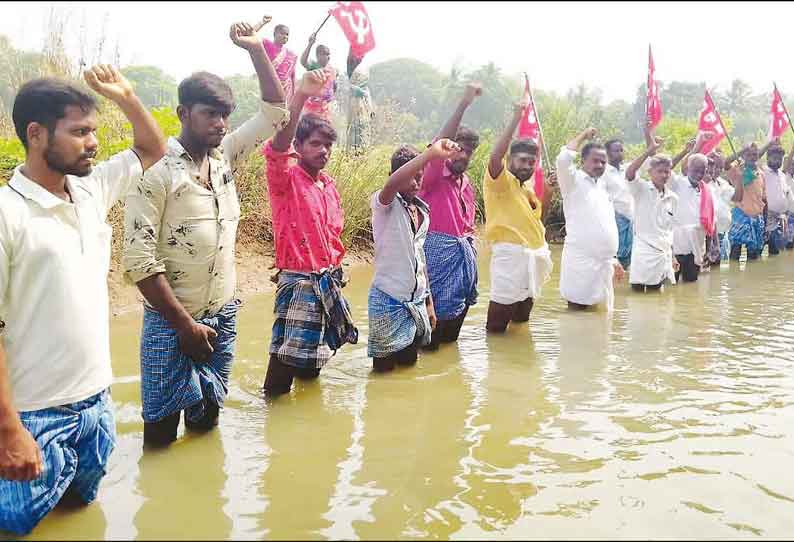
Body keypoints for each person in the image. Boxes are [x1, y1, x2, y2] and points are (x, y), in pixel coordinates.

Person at [0, 67, 165, 534]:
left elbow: (152, 148)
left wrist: (129, 96)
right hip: (32, 416)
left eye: (93, 131)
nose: (92, 142)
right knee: (17, 527)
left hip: (96, 405)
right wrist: (8, 431)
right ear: (36, 134)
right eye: (79, 132)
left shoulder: (90, 190)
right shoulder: (7, 214)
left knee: (79, 516)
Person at [122, 22, 289, 447]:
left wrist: (255, 49)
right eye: (210, 113)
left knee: (207, 425)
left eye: (224, 115)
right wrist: (184, 325)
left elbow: (275, 111)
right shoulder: (155, 173)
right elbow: (140, 262)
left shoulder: (225, 157)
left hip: (222, 317)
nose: (220, 123)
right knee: (159, 435)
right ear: (183, 114)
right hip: (169, 321)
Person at [262, 69, 358, 397]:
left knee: (316, 359)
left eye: (328, 145)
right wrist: (301, 95)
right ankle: (273, 415)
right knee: (285, 359)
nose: (324, 151)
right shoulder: (286, 178)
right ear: (299, 147)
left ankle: (302, 426)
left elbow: (332, 234)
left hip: (327, 277)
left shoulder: (327, 185)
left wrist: (337, 269)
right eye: (315, 144)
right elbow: (278, 145)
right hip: (301, 279)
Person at [367, 141, 459, 371]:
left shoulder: (422, 212)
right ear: (395, 175)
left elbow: (420, 259)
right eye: (410, 175)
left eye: (420, 175)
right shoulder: (384, 203)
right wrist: (430, 155)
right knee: (383, 371)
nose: (416, 181)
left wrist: (428, 303)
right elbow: (393, 183)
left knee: (409, 365)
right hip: (388, 299)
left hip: (416, 300)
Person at [483, 96, 555, 332]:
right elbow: (495, 157)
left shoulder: (529, 192)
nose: (527, 166)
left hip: (535, 256)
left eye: (531, 162)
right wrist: (516, 117)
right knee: (497, 323)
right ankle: (496, 361)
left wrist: (550, 192)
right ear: (510, 160)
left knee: (522, 317)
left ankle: (519, 362)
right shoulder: (500, 182)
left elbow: (539, 226)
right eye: (522, 160)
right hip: (510, 257)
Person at [420, 83, 482, 348]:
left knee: (452, 335)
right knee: (432, 336)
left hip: (461, 264)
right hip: (436, 264)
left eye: (469, 151)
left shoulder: (466, 184)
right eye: (458, 148)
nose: (463, 155)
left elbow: (468, 227)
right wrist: (464, 103)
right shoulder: (433, 174)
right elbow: (437, 146)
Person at [556, 128, 624, 311]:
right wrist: (583, 135)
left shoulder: (602, 187)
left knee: (600, 322)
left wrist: (614, 258)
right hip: (581, 263)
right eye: (595, 160)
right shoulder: (572, 181)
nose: (600, 165)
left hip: (604, 265)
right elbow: (563, 160)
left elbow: (605, 224)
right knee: (578, 315)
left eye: (603, 162)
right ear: (583, 160)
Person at [624, 136, 679, 291]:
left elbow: (670, 230)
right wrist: (648, 151)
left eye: (667, 172)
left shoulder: (673, 198)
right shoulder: (641, 189)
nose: (664, 175)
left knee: (657, 296)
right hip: (643, 252)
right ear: (650, 172)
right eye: (660, 171)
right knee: (638, 293)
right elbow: (630, 173)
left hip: (663, 254)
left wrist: (673, 254)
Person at [668, 134, 715, 283]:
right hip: (676, 247)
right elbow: (667, 168)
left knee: (691, 287)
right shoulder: (677, 184)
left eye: (703, 171)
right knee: (671, 287)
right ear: (688, 168)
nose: (699, 174)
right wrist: (692, 149)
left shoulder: (706, 191)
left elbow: (710, 224)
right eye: (695, 170)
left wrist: (709, 248)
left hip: (696, 249)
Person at [725, 143, 766, 261]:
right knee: (735, 253)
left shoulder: (761, 173)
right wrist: (742, 149)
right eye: (748, 154)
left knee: (754, 255)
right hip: (741, 216)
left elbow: (763, 198)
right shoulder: (737, 171)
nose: (752, 157)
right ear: (743, 156)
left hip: (757, 218)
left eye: (754, 154)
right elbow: (725, 163)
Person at [602, 138, 634, 270]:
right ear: (607, 153)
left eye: (621, 150)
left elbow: (648, 159)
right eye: (616, 150)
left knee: (630, 254)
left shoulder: (627, 169)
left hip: (631, 217)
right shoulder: (603, 171)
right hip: (615, 217)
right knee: (616, 253)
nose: (620, 153)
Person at [760, 141, 789, 256]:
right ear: (768, 158)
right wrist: (768, 144)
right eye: (774, 158)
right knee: (757, 252)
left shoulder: (781, 175)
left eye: (780, 159)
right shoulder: (763, 171)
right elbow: (756, 157)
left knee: (775, 253)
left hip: (778, 220)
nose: (777, 161)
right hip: (765, 217)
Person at [300, 33, 337, 120]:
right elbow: (303, 61)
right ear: (318, 55)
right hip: (311, 109)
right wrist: (310, 44)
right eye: (325, 54)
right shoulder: (313, 66)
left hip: (325, 110)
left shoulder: (332, 70)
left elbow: (334, 86)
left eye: (329, 54)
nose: (328, 57)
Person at [706, 150, 735, 263]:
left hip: (723, 233)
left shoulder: (722, 183)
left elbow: (737, 197)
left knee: (719, 270)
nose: (716, 170)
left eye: (720, 167)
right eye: (714, 166)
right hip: (709, 235)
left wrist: (739, 178)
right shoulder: (703, 183)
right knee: (708, 268)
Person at [346, 48, 374, 153]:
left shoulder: (365, 69)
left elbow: (366, 90)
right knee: (354, 129)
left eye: (362, 54)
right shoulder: (351, 66)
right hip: (354, 104)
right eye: (358, 54)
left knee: (364, 129)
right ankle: (352, 154)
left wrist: (370, 108)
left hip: (365, 104)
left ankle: (363, 153)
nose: (360, 56)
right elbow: (349, 86)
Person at [262, 20, 297, 103]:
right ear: (274, 34)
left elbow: (292, 76)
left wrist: (293, 95)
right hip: (270, 89)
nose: (285, 36)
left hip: (285, 92)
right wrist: (262, 22)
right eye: (282, 33)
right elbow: (252, 36)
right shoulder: (267, 44)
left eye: (287, 34)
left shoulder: (292, 55)